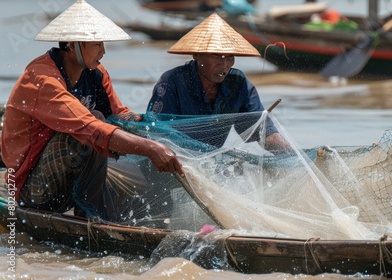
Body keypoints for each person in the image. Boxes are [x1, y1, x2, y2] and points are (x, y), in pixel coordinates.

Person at [0, 0, 184, 221]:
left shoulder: (95, 73)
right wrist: (151, 148)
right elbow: (91, 127)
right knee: (91, 125)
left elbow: (119, 115)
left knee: (142, 172)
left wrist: (154, 132)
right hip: (31, 189)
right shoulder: (43, 80)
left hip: (70, 179)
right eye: (97, 45)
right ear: (72, 44)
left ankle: (96, 211)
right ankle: (90, 216)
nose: (104, 51)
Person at [147, 13, 289, 150]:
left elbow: (262, 133)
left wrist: (294, 155)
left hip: (209, 162)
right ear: (196, 54)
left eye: (230, 57)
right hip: (172, 157)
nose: (224, 64)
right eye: (217, 56)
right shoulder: (172, 82)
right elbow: (156, 134)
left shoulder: (238, 83)